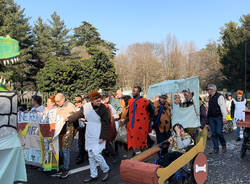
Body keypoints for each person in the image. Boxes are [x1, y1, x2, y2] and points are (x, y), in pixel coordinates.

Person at [67, 91, 110, 183]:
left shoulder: (104, 109)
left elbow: (106, 123)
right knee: (90, 155)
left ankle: (106, 170)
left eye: (99, 101)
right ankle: (93, 175)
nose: (99, 102)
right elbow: (77, 114)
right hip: (90, 132)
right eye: (97, 101)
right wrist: (68, 119)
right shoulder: (86, 107)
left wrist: (102, 136)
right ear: (91, 100)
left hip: (99, 132)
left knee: (97, 154)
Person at [123, 86, 154, 158]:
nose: (133, 92)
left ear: (139, 92)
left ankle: (145, 155)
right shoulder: (130, 101)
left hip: (141, 125)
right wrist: (125, 119)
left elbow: (152, 112)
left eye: (135, 91)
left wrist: (149, 121)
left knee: (142, 139)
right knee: (131, 139)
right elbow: (129, 112)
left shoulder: (145, 101)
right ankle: (131, 153)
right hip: (131, 125)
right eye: (133, 91)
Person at [55, 93, 76, 178]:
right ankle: (62, 166)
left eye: (58, 101)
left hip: (68, 130)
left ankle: (66, 169)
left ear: (63, 99)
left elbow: (74, 116)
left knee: (65, 149)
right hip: (59, 131)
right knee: (60, 149)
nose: (56, 103)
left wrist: (66, 117)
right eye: (55, 101)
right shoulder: (58, 106)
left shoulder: (70, 105)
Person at [207, 84, 227, 154]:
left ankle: (223, 145)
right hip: (211, 118)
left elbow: (223, 107)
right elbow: (209, 109)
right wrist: (207, 120)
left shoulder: (220, 96)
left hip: (219, 117)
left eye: (209, 89)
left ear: (213, 90)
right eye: (208, 89)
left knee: (219, 132)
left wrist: (224, 117)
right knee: (213, 134)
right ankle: (216, 149)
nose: (208, 91)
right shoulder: (210, 97)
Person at [74, 94, 88, 164]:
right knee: (81, 143)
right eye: (75, 101)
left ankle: (83, 157)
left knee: (83, 142)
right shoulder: (76, 108)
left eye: (77, 101)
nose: (76, 103)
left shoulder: (84, 108)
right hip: (80, 128)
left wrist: (84, 120)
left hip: (85, 128)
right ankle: (82, 156)